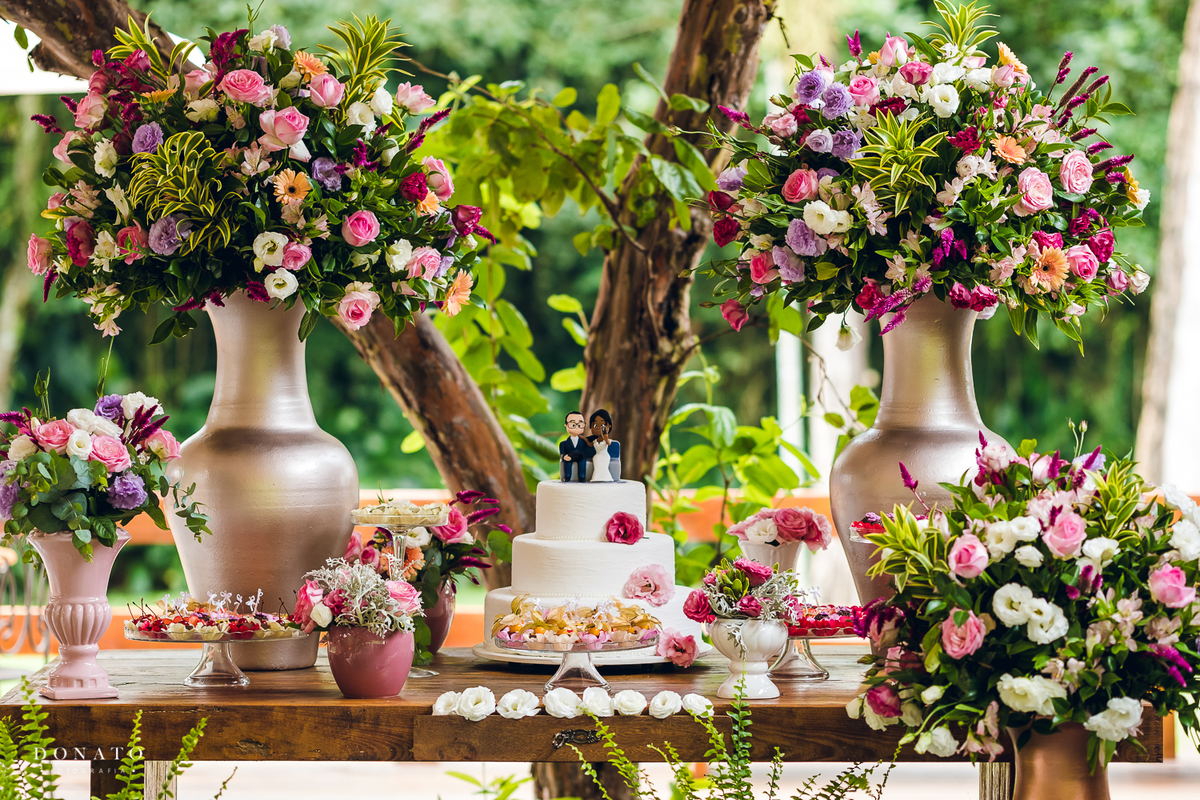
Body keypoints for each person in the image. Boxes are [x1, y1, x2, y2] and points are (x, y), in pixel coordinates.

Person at [586, 409, 621, 482]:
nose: (599, 428)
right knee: (597, 464)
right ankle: (596, 478)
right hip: (596, 456)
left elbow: (609, 443)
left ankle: (606, 478)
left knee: (603, 465)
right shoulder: (594, 441)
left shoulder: (606, 440)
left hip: (604, 456)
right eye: (595, 425)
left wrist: (605, 437)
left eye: (602, 425)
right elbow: (589, 444)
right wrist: (582, 438)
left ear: (609, 426)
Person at [559, 411, 593, 482]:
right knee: (567, 462)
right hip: (569, 456)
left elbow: (586, 450)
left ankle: (582, 477)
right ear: (566, 425)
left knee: (582, 462)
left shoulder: (583, 441)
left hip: (580, 457)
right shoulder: (564, 443)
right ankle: (567, 477)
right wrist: (564, 456)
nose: (577, 427)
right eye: (573, 425)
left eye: (580, 424)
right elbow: (562, 452)